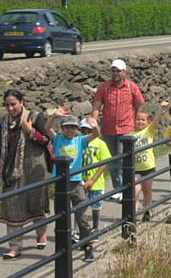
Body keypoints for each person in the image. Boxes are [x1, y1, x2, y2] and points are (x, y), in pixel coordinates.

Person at [0, 89, 50, 260]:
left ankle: (41, 233)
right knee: (11, 205)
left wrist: (30, 131)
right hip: (12, 170)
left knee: (35, 204)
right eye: (7, 105)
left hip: (34, 168)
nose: (10, 108)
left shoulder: (35, 117)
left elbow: (46, 139)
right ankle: (15, 246)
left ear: (21, 102)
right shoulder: (4, 122)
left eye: (13, 104)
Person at [45, 107, 100, 262]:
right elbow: (47, 129)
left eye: (73, 127)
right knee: (62, 217)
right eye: (67, 127)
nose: (70, 130)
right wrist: (54, 116)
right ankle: (62, 249)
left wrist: (94, 124)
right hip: (61, 183)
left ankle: (87, 246)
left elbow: (96, 134)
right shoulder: (57, 139)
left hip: (76, 183)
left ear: (77, 129)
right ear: (62, 128)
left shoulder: (80, 140)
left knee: (82, 216)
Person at [92, 59, 145, 202]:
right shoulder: (104, 87)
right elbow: (97, 105)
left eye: (118, 71)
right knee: (112, 161)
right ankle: (118, 189)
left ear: (124, 72)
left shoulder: (131, 87)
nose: (115, 73)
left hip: (125, 128)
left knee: (124, 160)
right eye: (113, 71)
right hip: (108, 129)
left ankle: (126, 188)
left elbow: (139, 104)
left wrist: (134, 120)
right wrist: (93, 120)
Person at [132, 101, 170, 221]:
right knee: (135, 191)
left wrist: (161, 109)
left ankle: (147, 211)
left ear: (147, 122)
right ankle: (133, 214)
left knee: (147, 191)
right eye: (138, 119)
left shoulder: (148, 131)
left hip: (148, 166)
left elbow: (156, 121)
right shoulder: (131, 135)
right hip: (136, 168)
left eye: (143, 120)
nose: (140, 122)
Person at [80, 118, 111, 232]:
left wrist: (93, 179)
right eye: (83, 130)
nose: (86, 133)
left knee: (96, 206)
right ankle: (81, 229)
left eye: (89, 130)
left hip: (96, 181)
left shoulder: (100, 143)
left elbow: (104, 163)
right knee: (81, 207)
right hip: (81, 179)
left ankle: (95, 227)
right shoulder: (79, 142)